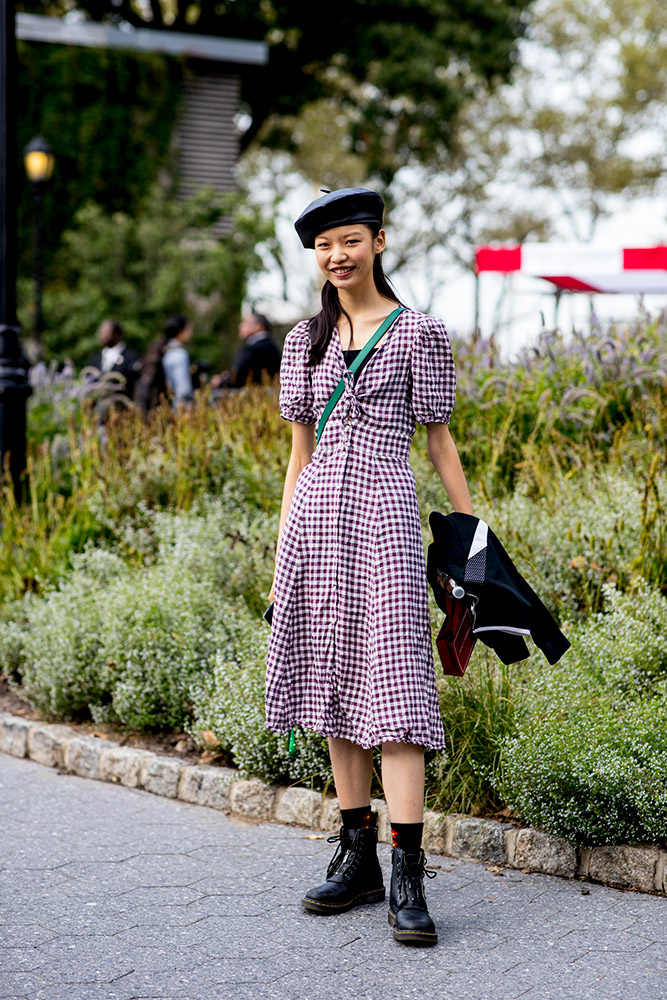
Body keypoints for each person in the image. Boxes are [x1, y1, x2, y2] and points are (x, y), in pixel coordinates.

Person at [265, 188, 473, 946]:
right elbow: (298, 457)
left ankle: (408, 871)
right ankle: (356, 858)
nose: (337, 255)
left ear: (378, 242)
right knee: (327, 680)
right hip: (316, 525)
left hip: (384, 517)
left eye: (350, 240)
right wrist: (281, 551)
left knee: (396, 685)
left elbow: (440, 442)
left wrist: (470, 540)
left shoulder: (419, 333)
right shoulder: (302, 341)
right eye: (324, 246)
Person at [214, 312, 281, 389]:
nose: (240, 325)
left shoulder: (253, 348)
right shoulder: (271, 345)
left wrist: (221, 381)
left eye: (245, 322)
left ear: (259, 326)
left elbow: (237, 376)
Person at [87, 319, 143, 399]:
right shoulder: (96, 358)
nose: (101, 335)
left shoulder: (131, 358)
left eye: (106, 332)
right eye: (101, 332)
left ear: (117, 335)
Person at [160, 315, 194, 408]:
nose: (191, 332)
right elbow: (183, 390)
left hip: (170, 405)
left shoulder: (166, 350)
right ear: (180, 332)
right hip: (180, 408)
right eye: (188, 328)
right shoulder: (179, 354)